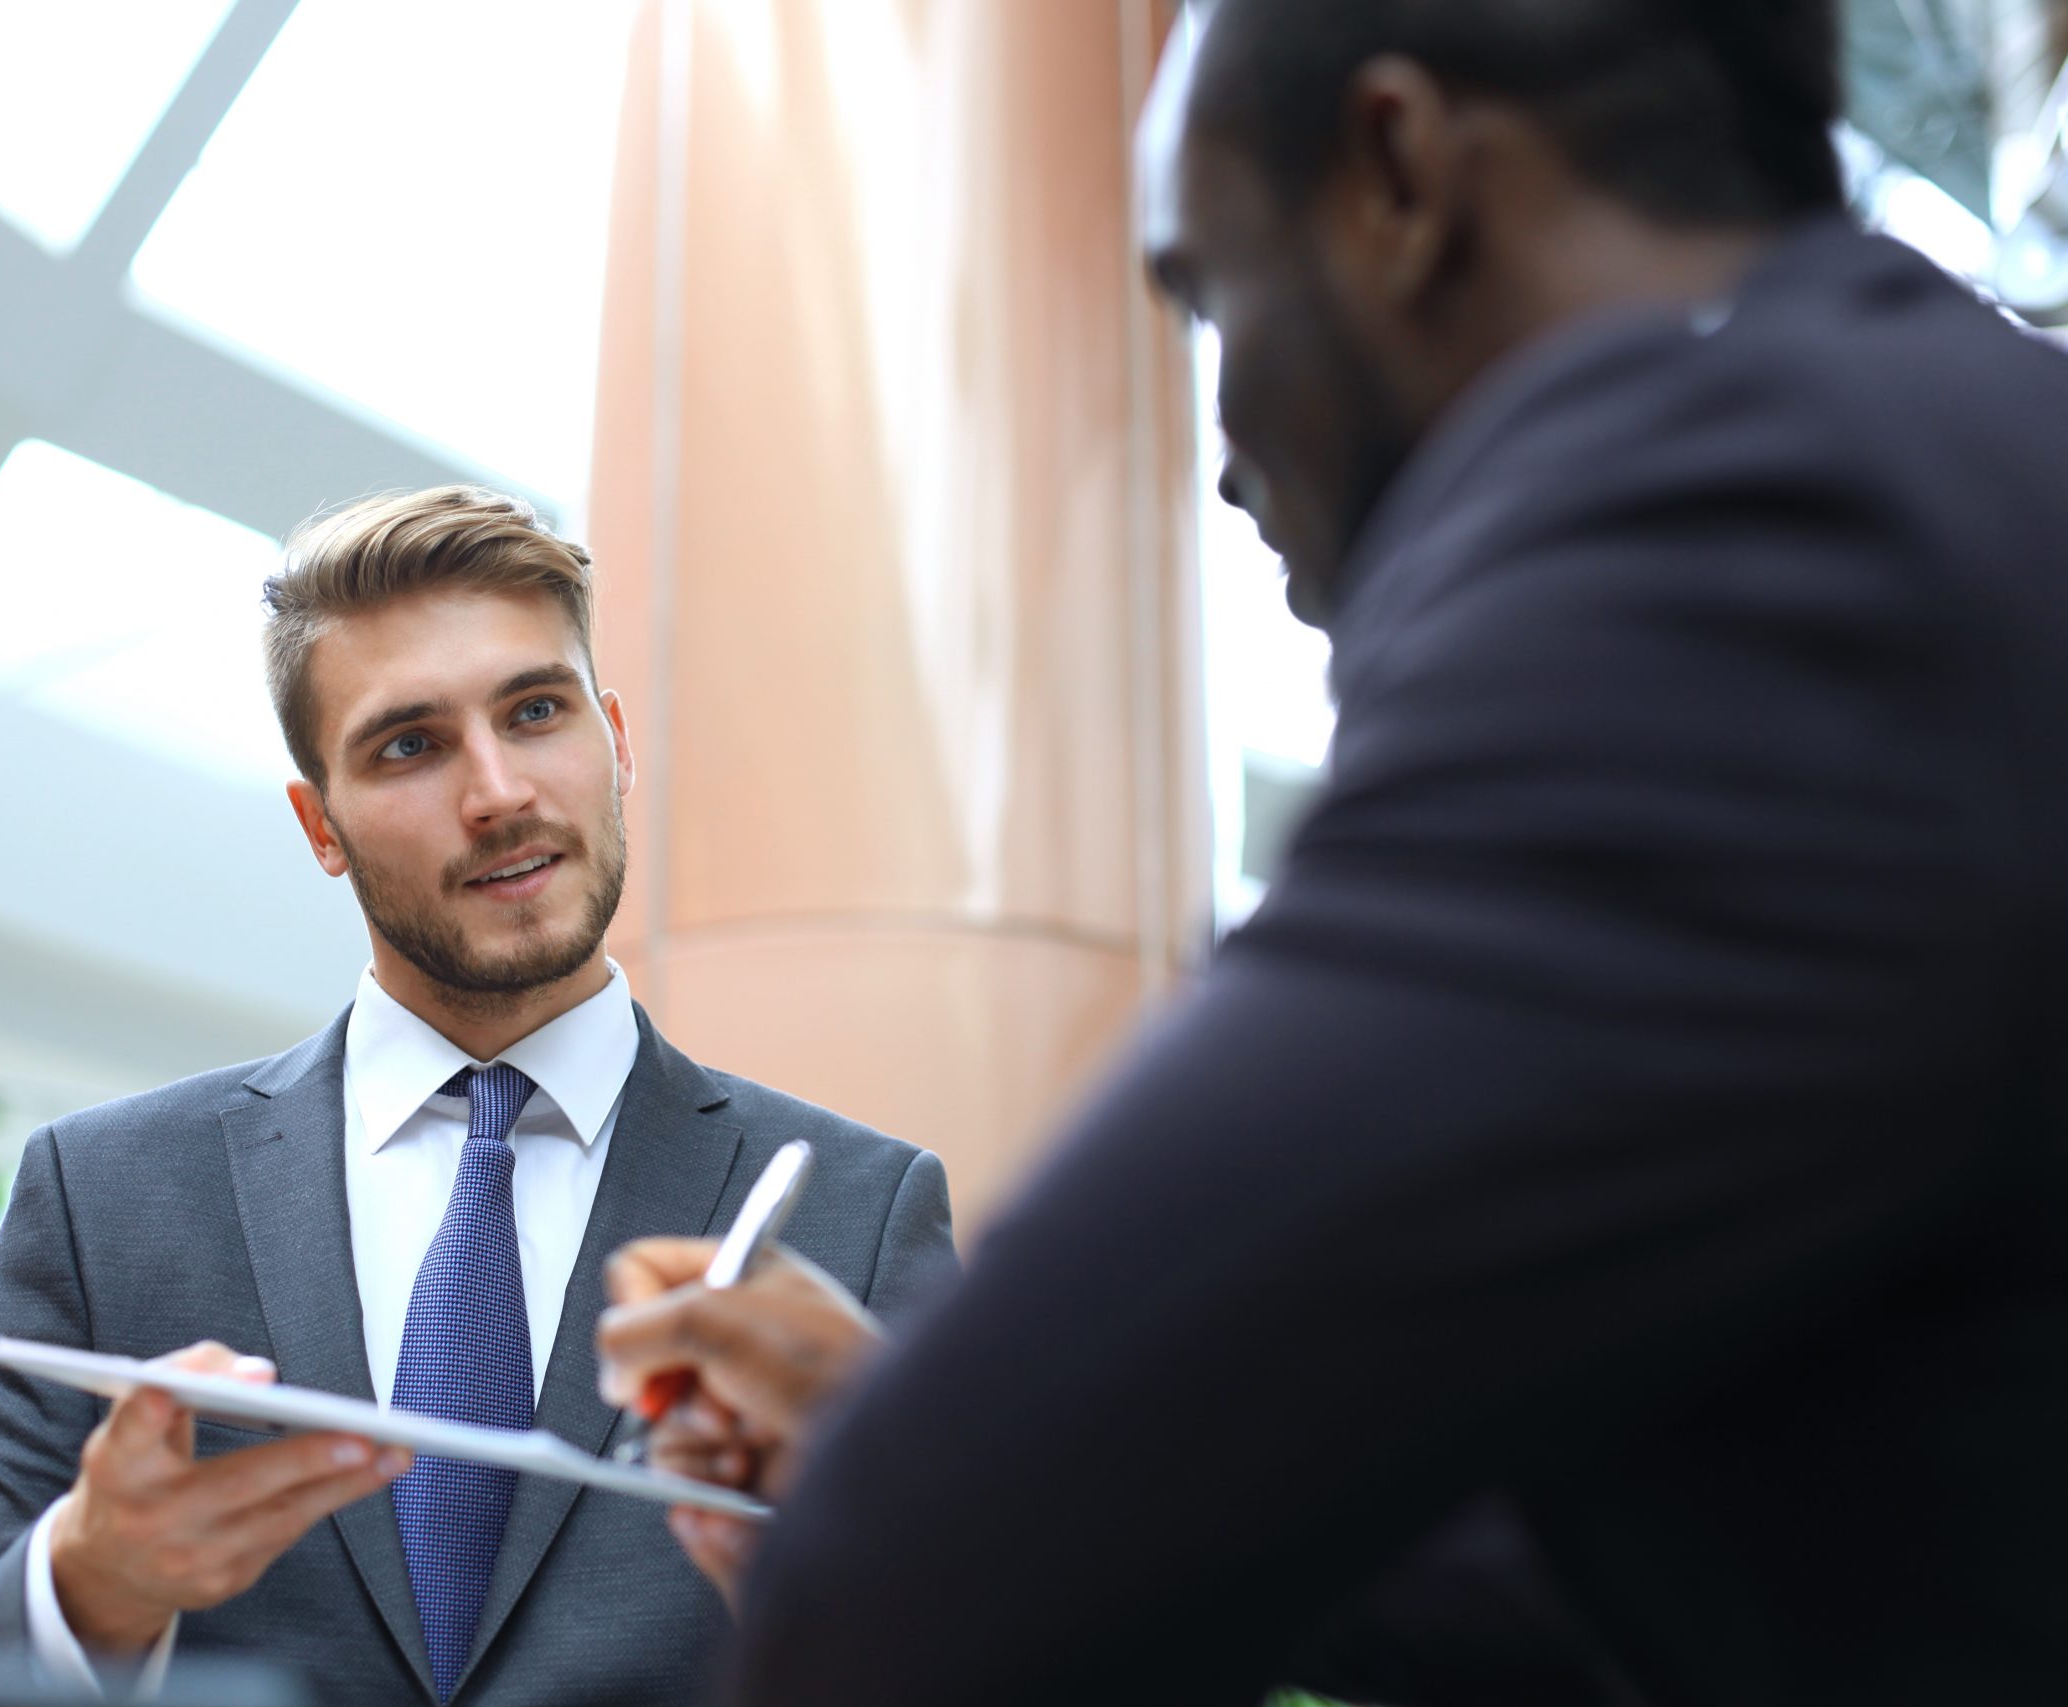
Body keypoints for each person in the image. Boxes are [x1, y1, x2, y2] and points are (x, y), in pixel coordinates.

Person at [595, 1, 2068, 1701]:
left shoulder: (1740, 538)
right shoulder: (1962, 459)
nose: (1219, 454)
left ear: (1399, 174)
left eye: (1214, 292)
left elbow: (919, 1571)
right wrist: (953, 1444)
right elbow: (1811, 1570)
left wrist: (926, 1474)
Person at [0, 487, 956, 1707]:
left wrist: (878, 1570)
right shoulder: (106, 1197)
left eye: (536, 712)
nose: (497, 791)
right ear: (318, 825)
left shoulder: (858, 1216)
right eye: (410, 745)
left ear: (615, 742)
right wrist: (91, 1582)